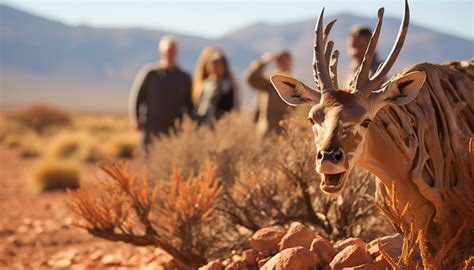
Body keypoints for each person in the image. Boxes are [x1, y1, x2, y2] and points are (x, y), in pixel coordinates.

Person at [129, 35, 193, 150]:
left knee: (171, 161)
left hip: (174, 129)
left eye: (173, 51)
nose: (170, 54)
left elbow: (190, 104)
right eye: (168, 51)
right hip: (151, 127)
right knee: (148, 159)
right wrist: (136, 119)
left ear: (177, 52)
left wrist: (189, 125)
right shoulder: (150, 74)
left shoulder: (184, 77)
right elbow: (137, 97)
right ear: (162, 52)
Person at [245, 50, 293, 135]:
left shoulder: (295, 85)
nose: (284, 64)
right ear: (276, 63)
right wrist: (263, 62)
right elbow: (251, 78)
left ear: (291, 63)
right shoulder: (269, 82)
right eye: (281, 61)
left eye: (286, 61)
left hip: (287, 134)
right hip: (266, 133)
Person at [192, 47, 239, 125]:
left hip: (222, 124)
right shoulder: (205, 85)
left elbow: (232, 108)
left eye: (219, 65)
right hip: (204, 124)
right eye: (214, 65)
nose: (216, 68)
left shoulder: (228, 86)